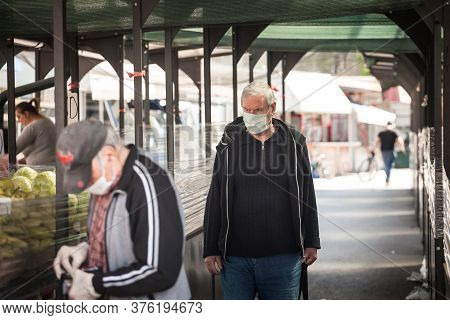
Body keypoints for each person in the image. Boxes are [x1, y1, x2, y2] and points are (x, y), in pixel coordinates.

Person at [203, 81, 321, 300]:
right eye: (247, 110)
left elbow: (307, 192)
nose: (251, 115)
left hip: (283, 257)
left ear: (272, 108)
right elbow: (216, 195)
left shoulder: (295, 143)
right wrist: (210, 248)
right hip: (235, 258)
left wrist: (312, 240)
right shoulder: (229, 144)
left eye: (257, 110)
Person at [52, 120, 190, 300]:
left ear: (109, 155)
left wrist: (94, 284)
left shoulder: (148, 183)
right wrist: (85, 249)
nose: (86, 184)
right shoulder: (105, 181)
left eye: (88, 176)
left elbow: (160, 271)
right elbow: (119, 238)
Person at [1, 99, 56, 166]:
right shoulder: (48, 122)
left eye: (19, 117)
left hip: (40, 169)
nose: (19, 121)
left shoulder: (33, 126)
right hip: (52, 167)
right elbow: (34, 150)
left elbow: (14, 149)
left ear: (26, 114)